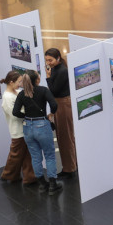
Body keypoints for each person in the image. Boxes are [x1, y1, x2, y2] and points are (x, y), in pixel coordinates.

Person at [11, 71, 61, 193]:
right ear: (37, 80)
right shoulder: (43, 90)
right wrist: (51, 114)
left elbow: (15, 112)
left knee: (35, 157)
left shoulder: (22, 94)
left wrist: (27, 116)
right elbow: (54, 105)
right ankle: (53, 185)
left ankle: (42, 184)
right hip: (42, 125)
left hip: (28, 127)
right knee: (49, 155)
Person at [0, 71, 38, 186]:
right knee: (16, 154)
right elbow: (14, 114)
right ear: (11, 82)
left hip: (23, 129)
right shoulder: (7, 97)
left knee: (26, 153)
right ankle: (8, 174)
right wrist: (29, 110)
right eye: (19, 81)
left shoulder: (16, 92)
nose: (21, 84)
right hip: (18, 131)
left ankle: (28, 177)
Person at [44, 48, 78, 176]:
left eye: (50, 60)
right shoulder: (57, 69)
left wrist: (48, 78)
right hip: (60, 104)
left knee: (65, 137)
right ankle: (72, 164)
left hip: (63, 105)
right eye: (46, 60)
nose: (48, 62)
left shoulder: (62, 71)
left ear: (58, 58)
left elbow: (54, 90)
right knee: (66, 136)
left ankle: (69, 169)